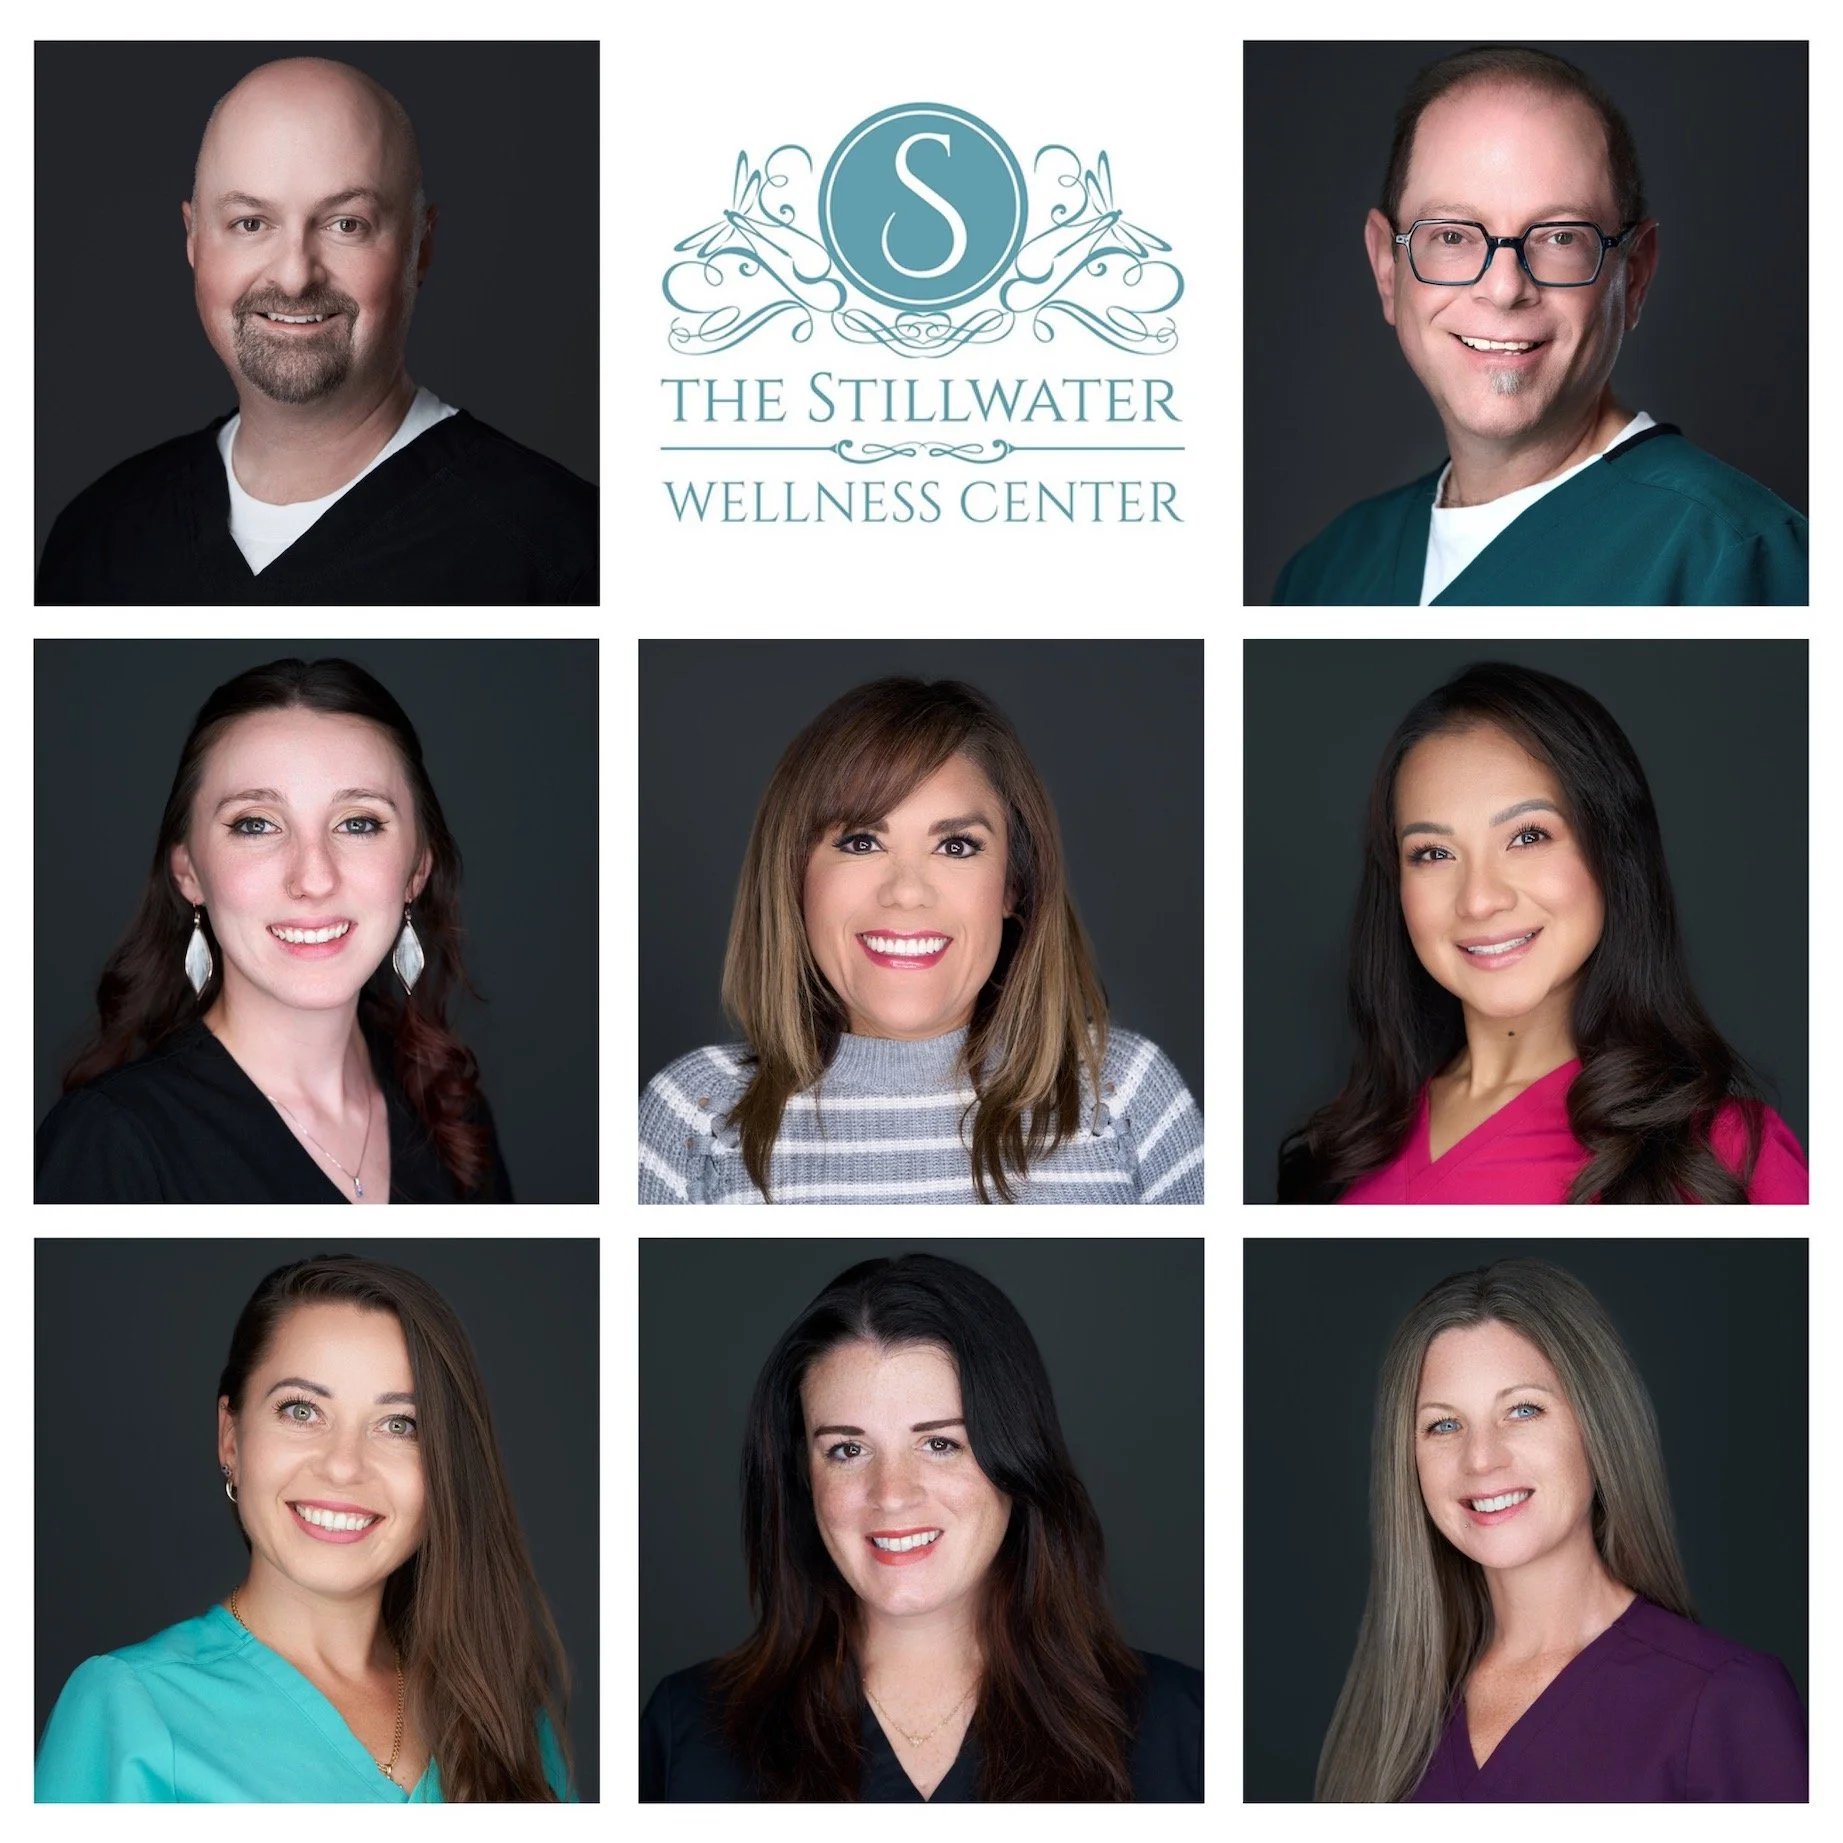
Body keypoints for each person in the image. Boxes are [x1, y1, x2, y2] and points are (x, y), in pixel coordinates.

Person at [36, 57, 595, 605]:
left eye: (346, 224)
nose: (295, 275)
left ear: (420, 249)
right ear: (193, 239)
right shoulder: (95, 540)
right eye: (250, 223)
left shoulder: (563, 551)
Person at [641, 1253, 1202, 1801]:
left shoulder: (1185, 1728)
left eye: (939, 1444)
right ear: (801, 1477)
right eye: (847, 1449)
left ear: (1016, 1458)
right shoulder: (688, 1733)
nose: (891, 1494)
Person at [1274, 46, 1806, 606]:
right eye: (1453, 235)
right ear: (1388, 266)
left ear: (1636, 275)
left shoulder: (1735, 557)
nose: (1504, 289)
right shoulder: (1325, 572)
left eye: (1560, 237)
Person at [639, 677, 1204, 1203]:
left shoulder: (1127, 1093)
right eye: (861, 841)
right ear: (794, 878)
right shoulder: (694, 1114)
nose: (907, 892)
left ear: (1014, 886)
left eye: (956, 846)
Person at [36, 1255, 574, 1801]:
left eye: (399, 1424)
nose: (343, 1465)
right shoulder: (126, 1709)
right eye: (301, 1411)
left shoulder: (504, 1718)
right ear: (231, 1437)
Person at [1278, 661, 1806, 1204]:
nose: (1480, 899)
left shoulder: (1723, 1153)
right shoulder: (1352, 1142)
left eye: (1528, 837)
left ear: (1612, 850)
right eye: (1433, 853)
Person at [1317, 1258, 1806, 1801]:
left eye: (1523, 1410)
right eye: (1444, 1424)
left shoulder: (1726, 1701)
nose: (1481, 1459)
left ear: (1596, 1426)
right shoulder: (1392, 1717)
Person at [36, 657, 512, 1203]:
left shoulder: (450, 1109)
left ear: (417, 870)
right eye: (256, 824)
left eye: (358, 823)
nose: (313, 878)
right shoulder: (111, 1142)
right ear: (189, 870)